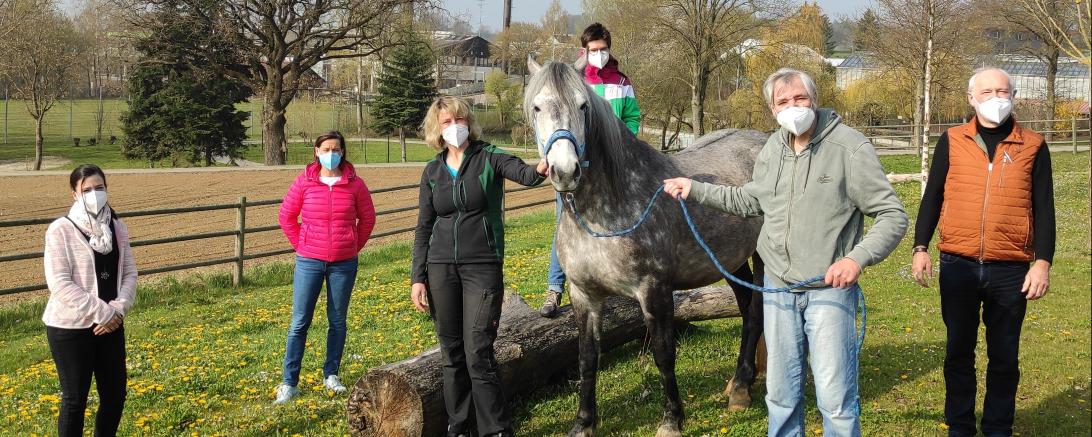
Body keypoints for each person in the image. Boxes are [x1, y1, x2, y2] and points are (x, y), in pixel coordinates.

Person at [663, 68, 908, 436]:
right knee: (780, 396)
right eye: (783, 102)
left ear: (815, 100)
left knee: (835, 398)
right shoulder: (773, 149)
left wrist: (855, 258)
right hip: (777, 291)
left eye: (800, 99)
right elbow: (749, 200)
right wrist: (694, 188)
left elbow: (892, 215)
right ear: (771, 109)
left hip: (828, 292)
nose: (793, 107)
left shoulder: (849, 147)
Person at [911, 67, 1055, 437]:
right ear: (971, 98)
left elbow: (1045, 207)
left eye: (1003, 91)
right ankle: (959, 426)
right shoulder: (952, 139)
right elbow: (933, 197)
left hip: (1011, 269)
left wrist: (1042, 262)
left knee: (1004, 356)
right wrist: (920, 246)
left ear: (1014, 95)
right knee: (958, 351)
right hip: (958, 264)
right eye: (987, 92)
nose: (996, 98)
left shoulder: (1034, 145)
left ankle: (997, 428)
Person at [410, 96, 547, 437]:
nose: (454, 126)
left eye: (460, 119)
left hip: (482, 266)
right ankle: (459, 427)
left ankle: (496, 430)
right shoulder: (432, 171)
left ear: (469, 122)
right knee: (451, 353)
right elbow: (423, 228)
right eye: (446, 122)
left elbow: (527, 175)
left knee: (478, 352)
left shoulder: (490, 157)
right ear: (436, 129)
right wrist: (418, 277)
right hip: (440, 268)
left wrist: (543, 167)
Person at [540, 21, 642, 317]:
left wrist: (626, 144)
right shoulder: (574, 81)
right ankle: (555, 287)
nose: (599, 54)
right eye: (593, 50)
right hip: (580, 166)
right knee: (565, 224)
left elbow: (633, 117)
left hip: (614, 167)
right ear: (583, 51)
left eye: (603, 49)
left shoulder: (621, 82)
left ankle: (619, 279)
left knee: (622, 222)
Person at [275, 131, 377, 404]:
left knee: (337, 320)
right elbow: (286, 216)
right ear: (317, 152)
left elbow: (367, 219)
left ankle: (331, 374)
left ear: (343, 152)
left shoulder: (355, 185)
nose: (332, 153)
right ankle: (289, 382)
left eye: (337, 149)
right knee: (299, 322)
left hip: (343, 264)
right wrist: (302, 245)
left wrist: (352, 246)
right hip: (309, 261)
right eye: (326, 148)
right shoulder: (304, 182)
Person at [43, 164, 137, 437]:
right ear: (74, 194)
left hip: (112, 324)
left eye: (99, 188)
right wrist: (102, 313)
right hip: (71, 328)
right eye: (86, 190)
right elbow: (60, 283)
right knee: (75, 400)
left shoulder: (117, 227)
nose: (94, 194)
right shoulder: (60, 230)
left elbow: (130, 272)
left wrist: (118, 309)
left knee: (115, 395)